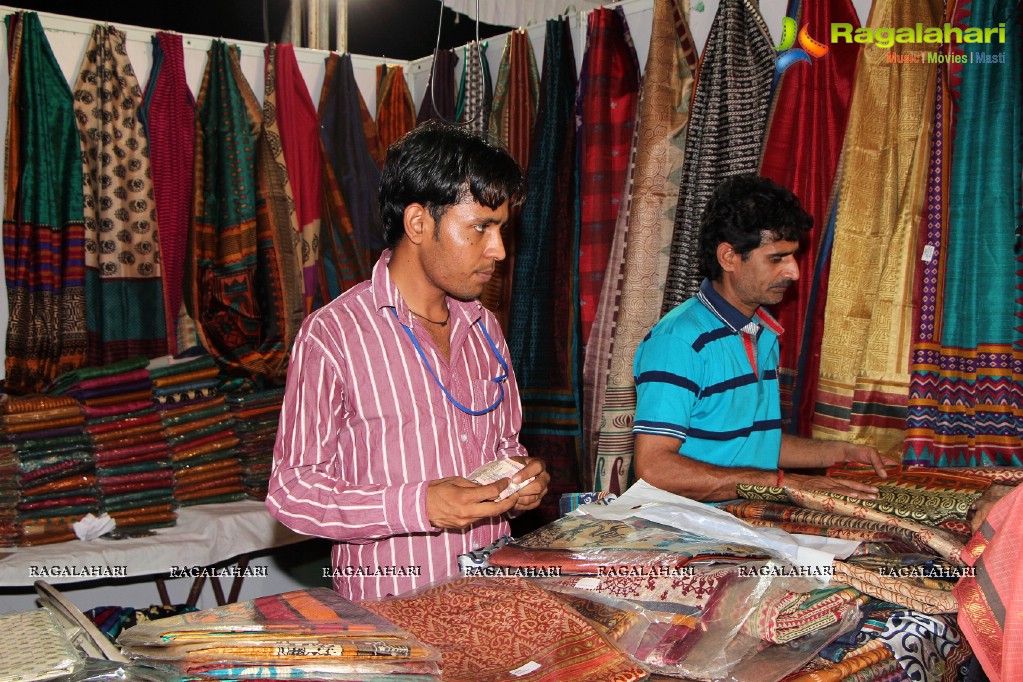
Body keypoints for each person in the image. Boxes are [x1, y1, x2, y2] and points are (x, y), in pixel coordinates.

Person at [266, 123, 549, 600]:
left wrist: (522, 481)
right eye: (481, 227)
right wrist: (418, 505)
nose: (498, 249)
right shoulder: (334, 334)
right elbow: (292, 493)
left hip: (491, 596)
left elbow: (503, 443)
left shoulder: (485, 328)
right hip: (391, 613)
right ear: (418, 223)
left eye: (500, 229)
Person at [632, 174, 892, 501]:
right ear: (729, 257)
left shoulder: (760, 332)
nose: (793, 272)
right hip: (687, 529)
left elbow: (751, 444)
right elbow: (654, 468)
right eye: (776, 258)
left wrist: (838, 453)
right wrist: (784, 482)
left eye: (792, 256)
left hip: (745, 518)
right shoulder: (680, 342)